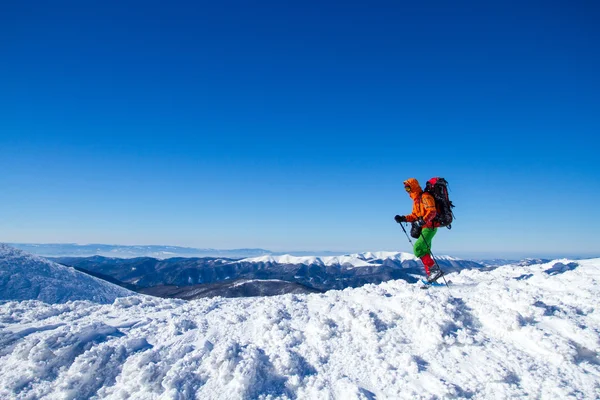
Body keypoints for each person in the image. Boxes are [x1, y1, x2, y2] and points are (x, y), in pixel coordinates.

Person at [394, 178, 443, 282]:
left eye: (408, 188)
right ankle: (431, 276)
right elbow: (415, 216)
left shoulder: (425, 197)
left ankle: (434, 270)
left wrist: (423, 221)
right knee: (425, 251)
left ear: (414, 187)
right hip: (425, 227)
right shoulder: (416, 201)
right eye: (406, 189)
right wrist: (403, 218)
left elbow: (432, 211)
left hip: (430, 227)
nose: (407, 191)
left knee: (418, 248)